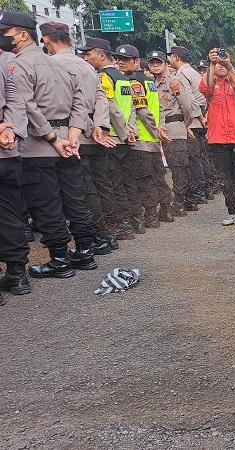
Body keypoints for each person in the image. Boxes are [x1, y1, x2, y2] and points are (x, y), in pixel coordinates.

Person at [2, 11, 96, 278]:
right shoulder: (60, 64)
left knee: (46, 204)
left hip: (39, 146)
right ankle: (85, 251)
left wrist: (53, 139)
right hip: (69, 142)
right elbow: (81, 102)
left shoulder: (19, 65)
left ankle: (60, 259)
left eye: (5, 33)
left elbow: (27, 106)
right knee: (74, 199)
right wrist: (73, 135)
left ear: (22, 35)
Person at [44, 25, 118, 256]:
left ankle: (95, 237)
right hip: (95, 134)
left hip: (73, 135)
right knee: (101, 186)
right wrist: (100, 125)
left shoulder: (52, 64)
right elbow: (101, 99)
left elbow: (72, 104)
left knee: (83, 191)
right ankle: (106, 235)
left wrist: (87, 126)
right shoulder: (86, 66)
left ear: (47, 41)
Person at [81, 39, 139, 237]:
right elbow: (131, 108)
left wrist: (123, 132)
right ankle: (135, 221)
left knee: (113, 185)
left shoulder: (104, 77)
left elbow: (111, 108)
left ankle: (122, 226)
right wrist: (130, 131)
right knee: (127, 182)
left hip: (112, 137)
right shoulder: (123, 77)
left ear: (101, 55)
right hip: (125, 137)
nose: (86, 58)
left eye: (89, 54)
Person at [116, 48, 175, 225]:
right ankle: (166, 211)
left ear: (136, 61)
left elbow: (142, 111)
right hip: (154, 139)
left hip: (142, 139)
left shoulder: (134, 81)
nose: (120, 62)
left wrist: (156, 130)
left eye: (126, 59)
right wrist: (160, 128)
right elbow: (159, 108)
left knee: (145, 181)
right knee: (158, 178)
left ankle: (151, 216)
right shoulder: (150, 81)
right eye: (119, 59)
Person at [199, 48, 235, 228]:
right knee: (225, 179)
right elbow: (203, 88)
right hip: (218, 138)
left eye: (222, 61)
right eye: (217, 63)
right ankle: (233, 211)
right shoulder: (211, 84)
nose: (220, 65)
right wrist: (211, 63)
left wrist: (228, 64)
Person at [147, 50, 197, 215]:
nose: (155, 65)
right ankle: (169, 202)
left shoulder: (174, 82)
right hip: (155, 129)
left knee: (178, 167)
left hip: (174, 127)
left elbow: (186, 105)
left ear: (165, 64)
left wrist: (184, 124)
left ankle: (180, 203)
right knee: (161, 169)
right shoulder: (150, 83)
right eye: (152, 63)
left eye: (158, 62)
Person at [0, 34, 31, 303]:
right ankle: (17, 274)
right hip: (7, 151)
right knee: (10, 213)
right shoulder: (4, 65)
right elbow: (15, 101)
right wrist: (11, 131)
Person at [169, 45, 213, 206]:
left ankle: (199, 193)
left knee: (194, 159)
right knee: (201, 157)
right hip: (200, 114)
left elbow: (188, 100)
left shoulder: (181, 74)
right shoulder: (192, 72)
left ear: (176, 57)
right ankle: (206, 189)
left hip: (194, 118)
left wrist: (198, 117)